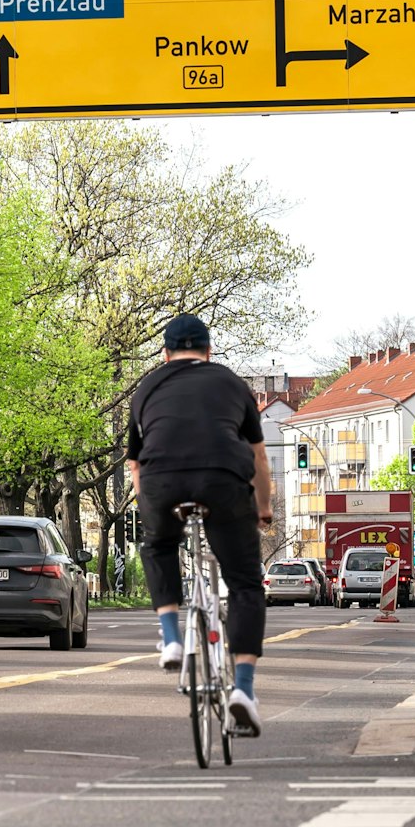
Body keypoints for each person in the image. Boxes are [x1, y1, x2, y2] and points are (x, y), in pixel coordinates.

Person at [126, 313, 273, 736]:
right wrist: (262, 508)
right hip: (223, 478)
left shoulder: (147, 387)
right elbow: (259, 458)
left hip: (161, 480)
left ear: (166, 352)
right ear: (209, 351)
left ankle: (171, 636)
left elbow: (135, 462)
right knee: (245, 583)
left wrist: (151, 507)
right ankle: (243, 689)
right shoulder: (230, 383)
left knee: (157, 546)